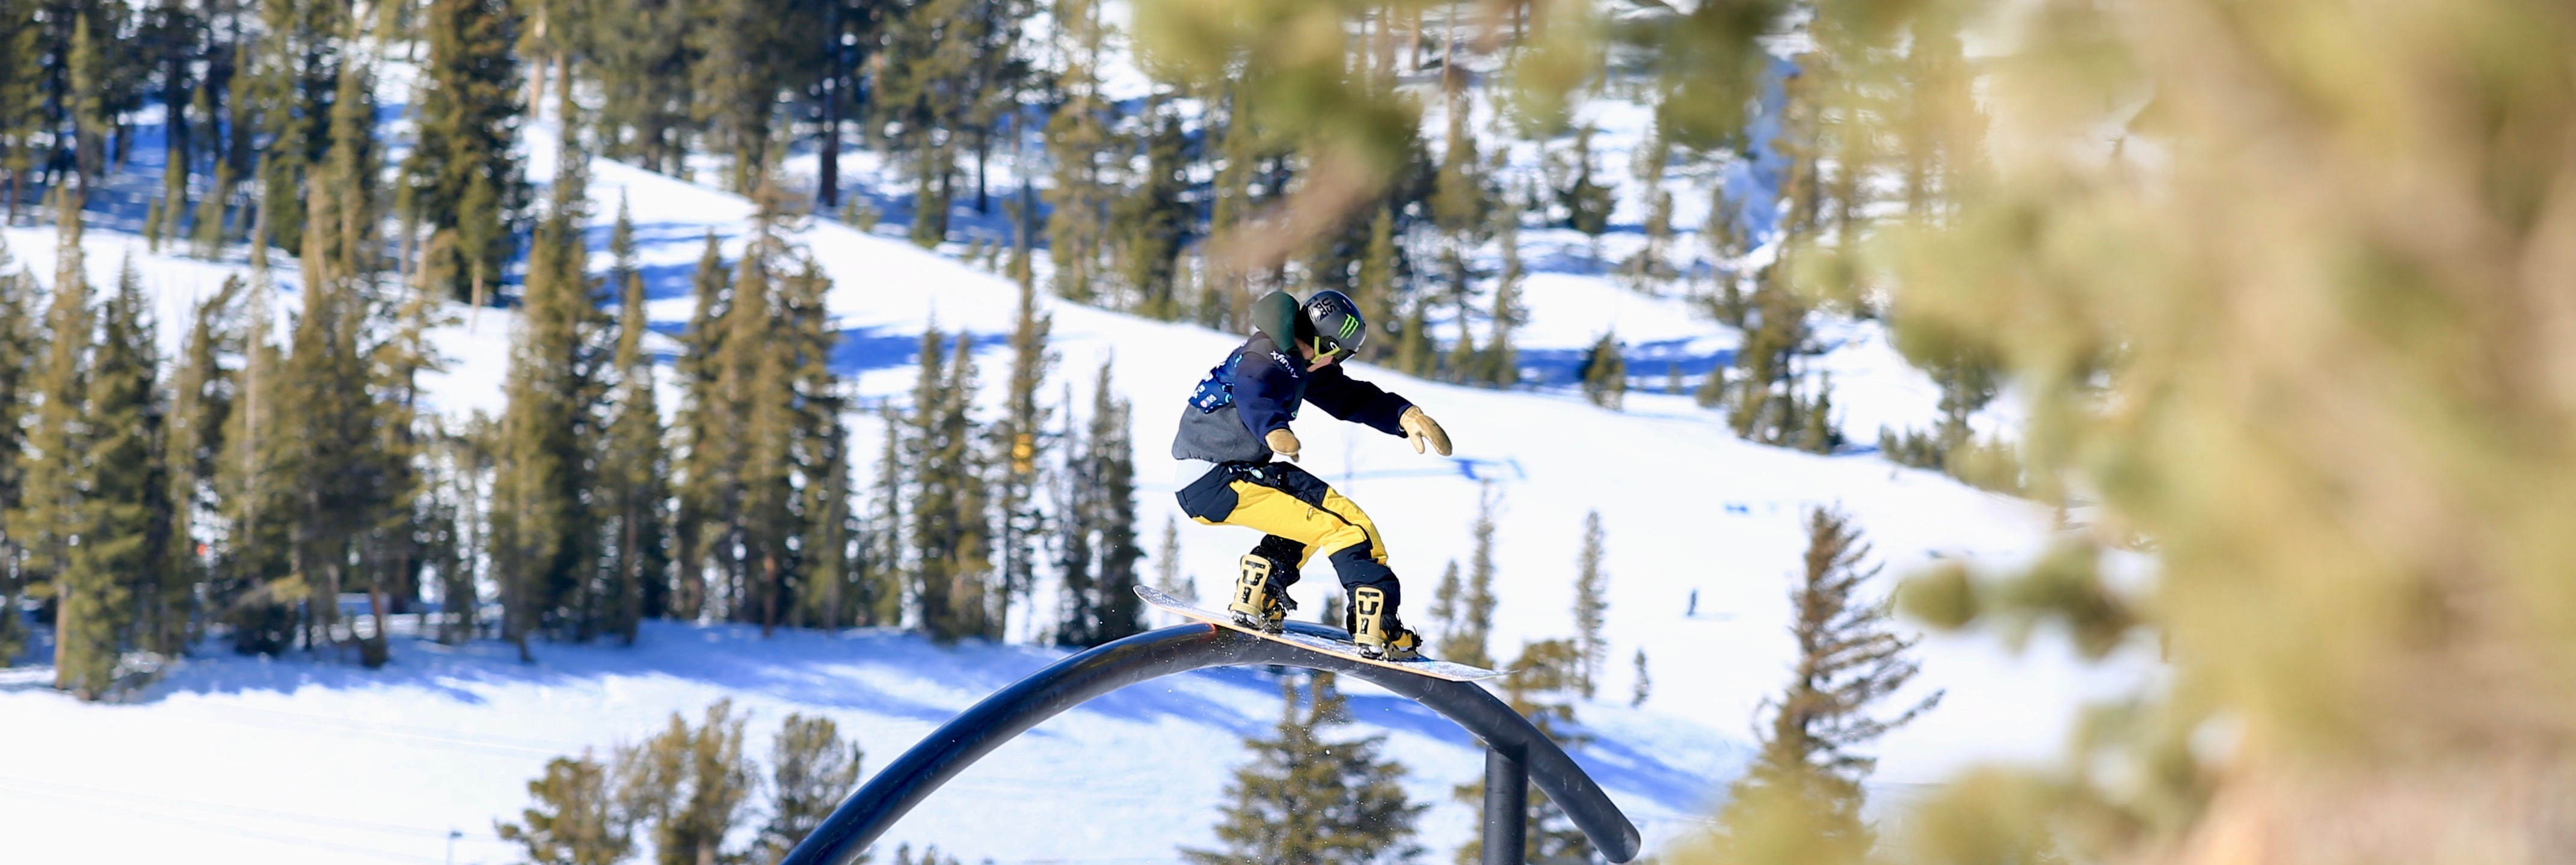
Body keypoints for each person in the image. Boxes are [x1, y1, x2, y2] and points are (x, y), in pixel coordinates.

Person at [1170, 289, 1452, 659]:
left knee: (1316, 516)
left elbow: (1349, 396)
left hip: (1216, 479)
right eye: (1339, 356)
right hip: (1222, 477)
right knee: (1347, 526)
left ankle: (1262, 591)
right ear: (1323, 346)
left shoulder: (1293, 362)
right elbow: (1252, 389)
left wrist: (1402, 414)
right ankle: (1378, 627)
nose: (1337, 365)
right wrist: (1273, 429)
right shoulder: (1267, 356)